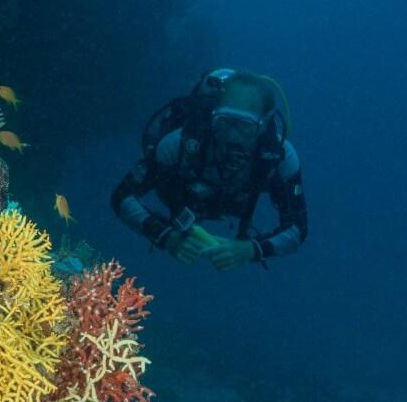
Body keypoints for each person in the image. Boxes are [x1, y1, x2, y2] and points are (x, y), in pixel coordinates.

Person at [111, 69, 307, 270]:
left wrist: (251, 250)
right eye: (224, 122)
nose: (232, 137)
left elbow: (297, 228)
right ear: (213, 113)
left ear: (265, 122)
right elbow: (122, 196)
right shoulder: (178, 144)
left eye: (245, 126)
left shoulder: (281, 159)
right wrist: (166, 236)